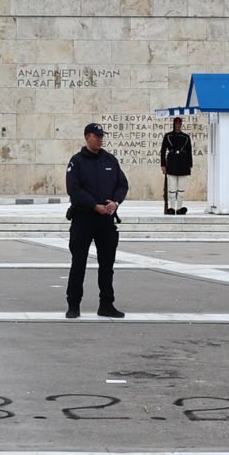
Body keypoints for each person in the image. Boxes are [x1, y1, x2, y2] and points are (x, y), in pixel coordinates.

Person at [63, 122, 128, 320]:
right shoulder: (77, 162)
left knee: (107, 265)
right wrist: (94, 205)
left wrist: (115, 202)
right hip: (84, 218)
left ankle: (106, 304)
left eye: (101, 136)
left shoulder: (110, 160)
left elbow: (122, 184)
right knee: (79, 263)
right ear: (87, 137)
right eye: (96, 136)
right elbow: (73, 189)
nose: (100, 139)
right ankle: (73, 305)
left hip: (106, 220)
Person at [158, 114, 193, 216]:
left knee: (181, 189)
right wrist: (163, 165)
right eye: (176, 124)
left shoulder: (186, 137)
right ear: (173, 125)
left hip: (183, 164)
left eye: (179, 124)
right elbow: (163, 151)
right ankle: (172, 208)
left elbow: (189, 152)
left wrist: (190, 165)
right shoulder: (168, 136)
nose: (177, 126)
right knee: (172, 189)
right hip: (172, 164)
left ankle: (179, 208)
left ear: (181, 125)